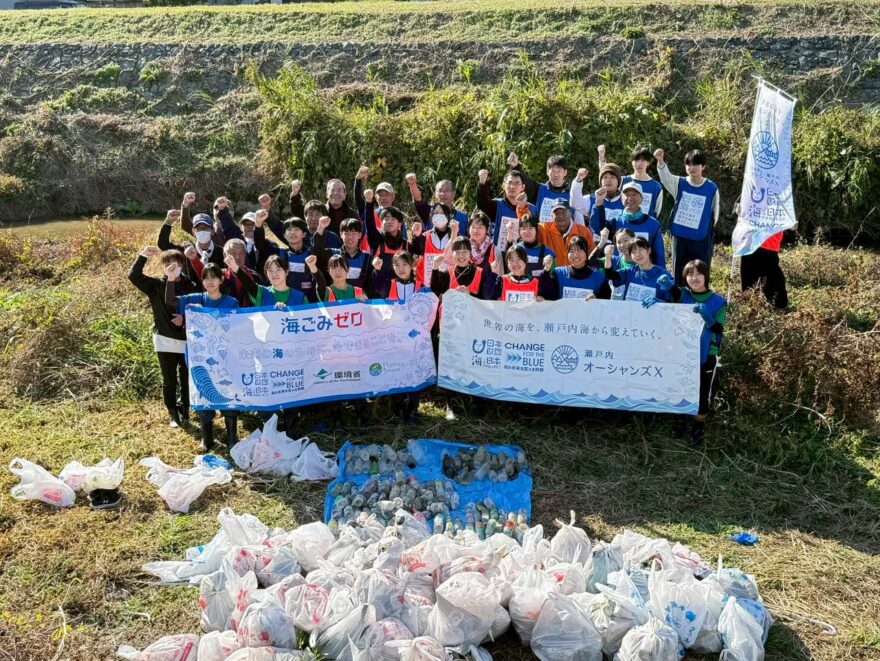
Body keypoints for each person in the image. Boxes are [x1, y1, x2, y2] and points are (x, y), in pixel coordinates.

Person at [164, 260, 240, 451]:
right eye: (206, 278)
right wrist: (171, 279)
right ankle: (207, 438)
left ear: (222, 279)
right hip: (199, 360)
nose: (210, 281)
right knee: (203, 396)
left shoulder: (231, 302)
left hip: (224, 360)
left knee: (227, 395)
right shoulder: (195, 299)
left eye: (214, 277)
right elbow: (170, 301)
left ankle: (232, 436)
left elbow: (238, 327)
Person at [129, 245, 199, 428]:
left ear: (182, 265)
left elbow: (197, 310)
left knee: (185, 379)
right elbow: (133, 276)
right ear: (162, 266)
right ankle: (172, 411)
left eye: (176, 263)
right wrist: (142, 256)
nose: (172, 267)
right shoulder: (156, 286)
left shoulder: (190, 286)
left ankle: (186, 411)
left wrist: (184, 319)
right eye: (167, 263)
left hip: (186, 341)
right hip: (164, 341)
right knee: (169, 380)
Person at [666, 259, 727, 446]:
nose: (694, 278)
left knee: (702, 391)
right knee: (680, 385)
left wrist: (708, 317)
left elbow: (718, 329)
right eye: (690, 274)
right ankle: (680, 419)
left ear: (706, 276)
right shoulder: (682, 295)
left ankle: (698, 425)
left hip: (707, 353)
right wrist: (666, 287)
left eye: (698, 274)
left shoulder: (718, 301)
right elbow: (667, 305)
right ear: (685, 278)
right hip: (680, 351)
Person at [654, 148, 720, 284]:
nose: (692, 168)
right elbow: (666, 178)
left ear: (703, 167)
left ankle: (699, 296)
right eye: (688, 164)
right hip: (680, 236)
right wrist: (660, 162)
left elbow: (715, 212)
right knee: (679, 270)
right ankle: (679, 296)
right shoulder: (679, 183)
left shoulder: (711, 187)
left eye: (696, 164)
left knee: (700, 268)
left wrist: (708, 231)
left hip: (701, 237)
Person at [592, 181, 666, 268]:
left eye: (634, 194)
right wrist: (599, 202)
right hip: (619, 273)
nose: (630, 198)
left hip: (644, 275)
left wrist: (661, 274)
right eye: (627, 195)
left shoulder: (653, 224)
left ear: (642, 199)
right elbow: (597, 228)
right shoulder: (616, 221)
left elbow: (659, 254)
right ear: (621, 199)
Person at [253, 211, 318, 302]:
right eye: (289, 230)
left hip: (309, 304)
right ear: (284, 235)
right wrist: (258, 224)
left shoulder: (313, 254)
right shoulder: (280, 253)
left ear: (304, 234)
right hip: (285, 303)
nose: (292, 232)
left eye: (296, 229)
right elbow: (260, 245)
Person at [312, 216, 377, 296]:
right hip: (336, 302)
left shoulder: (368, 259)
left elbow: (370, 285)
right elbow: (317, 251)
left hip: (358, 303)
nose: (350, 237)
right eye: (346, 233)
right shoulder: (332, 254)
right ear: (341, 235)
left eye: (353, 233)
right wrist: (321, 228)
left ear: (360, 235)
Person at [598, 145, 664, 218]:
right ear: (631, 162)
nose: (639, 163)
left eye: (643, 160)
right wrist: (601, 159)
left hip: (644, 227)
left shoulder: (656, 187)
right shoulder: (623, 180)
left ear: (648, 163)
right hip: (624, 225)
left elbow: (656, 211)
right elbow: (606, 175)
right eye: (636, 160)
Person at [738, 215, 790, 309]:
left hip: (769, 244)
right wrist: (740, 210)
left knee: (777, 298)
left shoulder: (781, 200)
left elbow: (793, 224)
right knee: (749, 288)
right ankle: (750, 311)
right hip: (750, 242)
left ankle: (776, 308)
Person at [363, 196, 411, 295]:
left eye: (393, 219)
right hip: (378, 293)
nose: (389, 221)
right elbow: (369, 223)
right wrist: (368, 202)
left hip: (401, 292)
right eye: (386, 218)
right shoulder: (376, 240)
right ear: (381, 222)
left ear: (399, 224)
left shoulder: (406, 245)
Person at [476, 168, 536, 247]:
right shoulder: (496, 205)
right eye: (509, 183)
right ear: (503, 185)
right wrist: (482, 183)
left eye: (517, 183)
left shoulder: (532, 209)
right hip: (499, 253)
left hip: (524, 253)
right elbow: (482, 203)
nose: (512, 187)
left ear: (523, 187)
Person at [605, 237, 674, 305]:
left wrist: (659, 303)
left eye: (640, 249)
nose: (637, 254)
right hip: (630, 314)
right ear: (631, 256)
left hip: (654, 315)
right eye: (633, 252)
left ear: (649, 250)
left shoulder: (663, 275)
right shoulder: (629, 272)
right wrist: (608, 257)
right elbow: (610, 275)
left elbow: (674, 302)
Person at [506, 152, 571, 222]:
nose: (556, 174)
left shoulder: (572, 194)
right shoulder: (540, 189)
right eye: (552, 171)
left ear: (565, 172)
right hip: (542, 231)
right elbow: (526, 182)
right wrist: (516, 166)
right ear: (547, 172)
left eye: (559, 171)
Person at [542, 236, 611, 301]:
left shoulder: (599, 277)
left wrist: (596, 298)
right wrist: (546, 270)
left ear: (586, 253)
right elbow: (546, 295)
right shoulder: (558, 274)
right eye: (571, 251)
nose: (575, 255)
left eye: (580, 251)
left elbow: (607, 299)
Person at [430, 236, 496, 300]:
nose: (461, 255)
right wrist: (435, 268)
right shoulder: (446, 274)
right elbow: (436, 292)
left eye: (465, 251)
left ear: (470, 253)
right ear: (452, 254)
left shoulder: (481, 273)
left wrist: (469, 294)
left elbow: (486, 299)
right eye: (458, 252)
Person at [536, 199, 595, 267]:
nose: (560, 216)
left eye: (563, 212)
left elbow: (592, 254)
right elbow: (528, 227)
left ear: (570, 213)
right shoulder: (543, 229)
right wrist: (522, 208)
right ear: (552, 215)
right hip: (551, 275)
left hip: (576, 275)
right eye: (557, 213)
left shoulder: (583, 231)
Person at [289, 178, 358, 236]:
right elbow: (298, 212)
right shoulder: (320, 210)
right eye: (332, 190)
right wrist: (295, 193)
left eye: (339, 190)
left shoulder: (352, 215)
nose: (336, 193)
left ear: (344, 195)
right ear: (327, 194)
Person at [159, 209, 225, 268]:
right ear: (193, 231)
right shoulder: (185, 251)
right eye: (198, 229)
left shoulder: (222, 253)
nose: (202, 231)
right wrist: (168, 221)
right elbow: (163, 245)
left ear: (212, 231)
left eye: (205, 228)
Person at [238, 254, 306, 309]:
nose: (274, 274)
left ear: (286, 272)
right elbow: (248, 283)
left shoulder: (300, 297)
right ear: (266, 274)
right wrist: (235, 267)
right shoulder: (261, 293)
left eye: (278, 269)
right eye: (270, 270)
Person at [409, 203, 454, 286]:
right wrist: (416, 236)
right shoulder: (424, 236)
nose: (439, 216)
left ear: (449, 215)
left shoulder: (454, 237)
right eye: (436, 213)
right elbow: (415, 252)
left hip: (449, 286)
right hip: (426, 286)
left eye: (442, 213)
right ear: (431, 216)